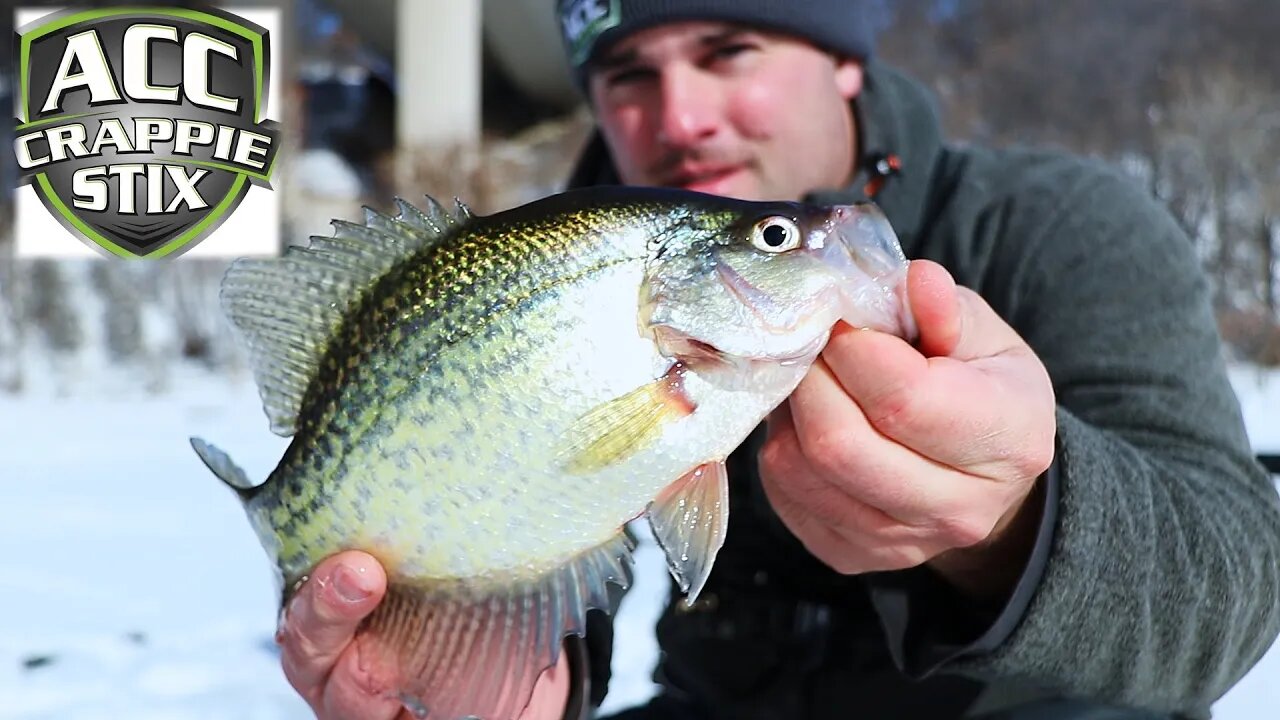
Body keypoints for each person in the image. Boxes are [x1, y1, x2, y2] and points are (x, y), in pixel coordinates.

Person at [274, 1, 1280, 718]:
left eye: (728, 49)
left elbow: (1234, 577)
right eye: (628, 75)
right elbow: (559, 530)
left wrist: (1012, 526)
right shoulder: (536, 274)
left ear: (845, 58)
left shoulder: (1057, 225)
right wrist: (504, 681)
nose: (679, 118)